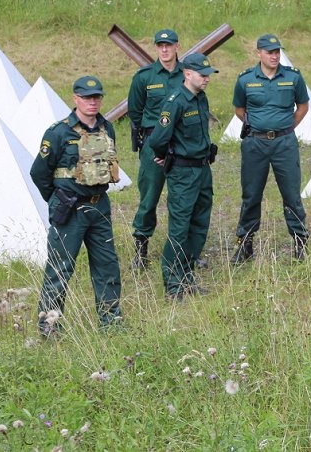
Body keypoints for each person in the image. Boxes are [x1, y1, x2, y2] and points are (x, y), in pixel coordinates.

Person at [30, 76, 123, 335]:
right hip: (70, 209)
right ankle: (49, 326)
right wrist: (58, 198)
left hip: (99, 206)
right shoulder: (58, 132)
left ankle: (111, 322)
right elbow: (39, 172)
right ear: (75, 99)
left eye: (96, 97)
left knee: (107, 266)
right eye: (86, 97)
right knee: (60, 268)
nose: (92, 102)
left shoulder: (107, 128)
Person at [230, 34, 311, 263]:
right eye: (269, 52)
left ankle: (300, 243)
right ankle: (245, 244)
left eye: (277, 51)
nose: (274, 55)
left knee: (292, 194)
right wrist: (258, 127)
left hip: (284, 144)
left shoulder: (293, 77)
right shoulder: (245, 79)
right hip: (255, 144)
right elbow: (239, 110)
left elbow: (303, 107)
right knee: (251, 194)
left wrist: (284, 128)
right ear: (259, 53)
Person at [146, 53, 218, 301]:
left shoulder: (201, 98)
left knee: (199, 225)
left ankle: (187, 278)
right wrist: (162, 156)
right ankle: (173, 284)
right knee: (179, 228)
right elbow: (157, 139)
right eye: (202, 74)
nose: (207, 78)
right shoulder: (175, 101)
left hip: (203, 169)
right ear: (188, 74)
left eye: (208, 74)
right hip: (183, 173)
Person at [126, 28, 185, 269]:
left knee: (182, 197)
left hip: (181, 142)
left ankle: (183, 250)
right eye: (160, 45)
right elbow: (135, 111)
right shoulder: (144, 77)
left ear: (177, 46)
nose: (164, 49)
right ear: (156, 48)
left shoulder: (188, 74)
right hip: (153, 143)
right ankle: (141, 250)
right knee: (149, 196)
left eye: (169, 45)